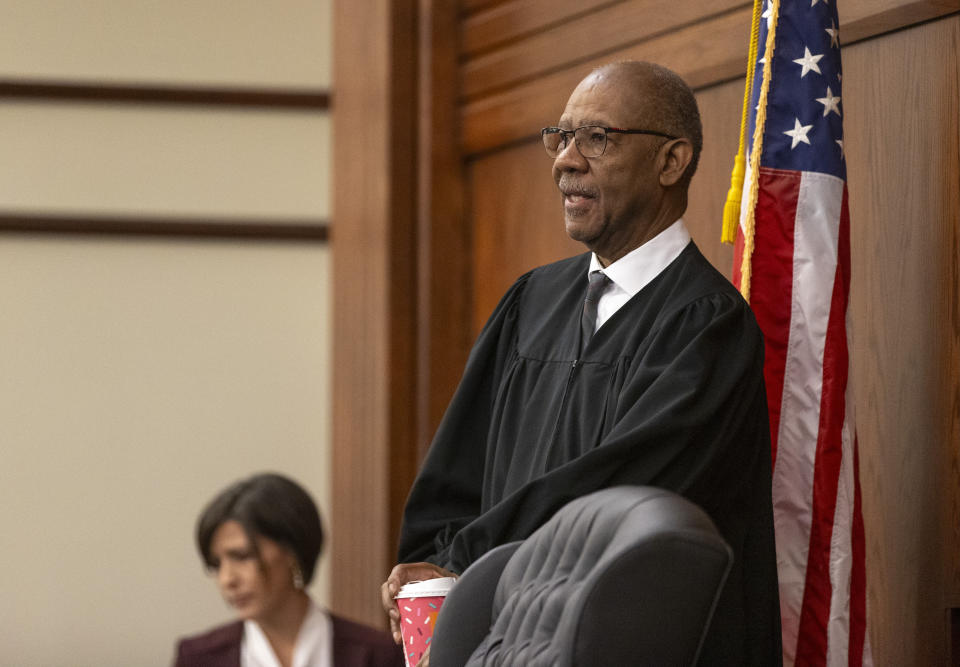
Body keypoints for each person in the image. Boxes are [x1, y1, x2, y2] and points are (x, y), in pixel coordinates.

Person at [381, 61, 781, 665]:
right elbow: (456, 473)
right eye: (561, 137)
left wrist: (470, 557)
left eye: (597, 139)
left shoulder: (707, 324)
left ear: (671, 162)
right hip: (505, 642)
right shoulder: (531, 302)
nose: (565, 160)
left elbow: (621, 491)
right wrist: (435, 561)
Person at [176, 472, 403, 667]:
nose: (227, 579)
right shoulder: (198, 657)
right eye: (217, 564)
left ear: (292, 550)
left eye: (242, 556)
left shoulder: (378, 654)